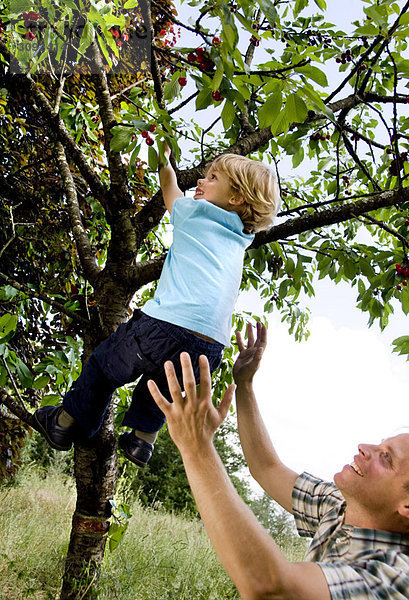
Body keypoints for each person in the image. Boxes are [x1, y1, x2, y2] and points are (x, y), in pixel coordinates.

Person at [34, 145, 281, 467]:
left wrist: (164, 159)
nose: (200, 184)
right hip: (210, 345)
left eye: (212, 178)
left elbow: (170, 188)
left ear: (235, 199)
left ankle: (64, 424)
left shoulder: (197, 214)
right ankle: (142, 440)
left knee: (103, 368)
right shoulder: (241, 240)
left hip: (164, 326)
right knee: (162, 388)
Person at [148, 322, 409, 600]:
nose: (365, 447)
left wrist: (197, 449)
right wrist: (245, 385)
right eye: (380, 444)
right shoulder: (337, 505)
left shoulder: (394, 577)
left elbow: (272, 588)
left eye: (387, 458)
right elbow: (266, 468)